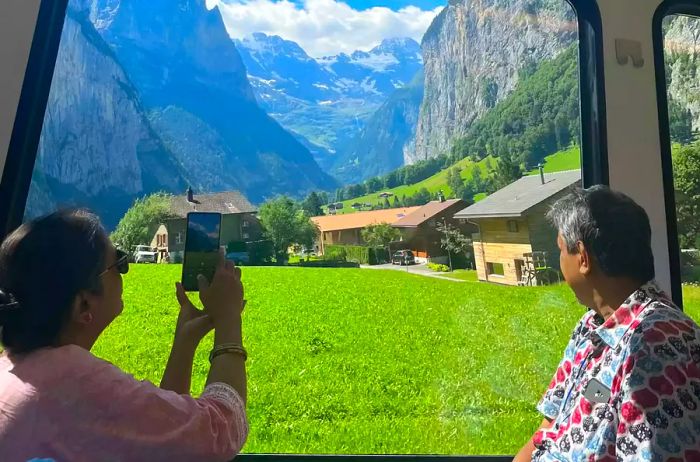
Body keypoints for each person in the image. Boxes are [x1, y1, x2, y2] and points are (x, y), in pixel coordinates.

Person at [0, 210, 248, 461]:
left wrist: (185, 342)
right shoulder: (76, 380)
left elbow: (162, 442)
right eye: (119, 263)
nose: (123, 270)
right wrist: (229, 319)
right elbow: (218, 432)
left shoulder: (12, 367)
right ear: (83, 305)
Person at [514, 186, 700, 461]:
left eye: (561, 251)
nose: (560, 263)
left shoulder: (655, 347)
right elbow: (549, 426)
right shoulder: (591, 326)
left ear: (583, 257)